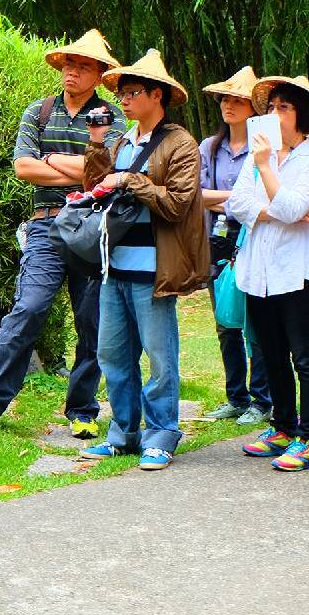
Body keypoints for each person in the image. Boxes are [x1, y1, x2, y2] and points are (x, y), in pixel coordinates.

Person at [0, 29, 122, 439]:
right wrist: (79, 167)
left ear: (99, 74)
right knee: (29, 309)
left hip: (93, 227)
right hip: (46, 223)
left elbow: (108, 173)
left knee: (91, 322)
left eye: (84, 67)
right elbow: (23, 169)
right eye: (69, 64)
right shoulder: (38, 111)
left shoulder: (113, 116)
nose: (73, 72)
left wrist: (51, 159)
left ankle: (83, 411)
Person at [78, 50, 210, 471]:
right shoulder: (121, 138)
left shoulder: (180, 143)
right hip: (112, 265)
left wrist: (131, 180)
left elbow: (180, 203)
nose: (124, 100)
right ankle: (124, 433)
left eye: (132, 92)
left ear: (158, 95)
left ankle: (162, 434)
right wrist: (97, 145)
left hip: (155, 268)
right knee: (113, 356)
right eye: (121, 93)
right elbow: (97, 187)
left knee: (159, 356)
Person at [226, 75, 309, 472]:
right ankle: (283, 427)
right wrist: (275, 208)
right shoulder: (262, 157)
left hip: (298, 272)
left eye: (283, 107)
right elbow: (237, 203)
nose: (273, 115)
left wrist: (266, 177)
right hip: (259, 271)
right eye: (271, 107)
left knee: (305, 358)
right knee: (270, 354)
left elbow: (292, 210)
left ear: (300, 116)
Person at [198, 66, 271, 427]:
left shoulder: (266, 150)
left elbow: (266, 197)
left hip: (257, 242)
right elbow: (195, 195)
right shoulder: (209, 148)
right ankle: (235, 397)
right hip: (219, 244)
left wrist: (230, 200)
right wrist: (239, 199)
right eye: (225, 98)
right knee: (226, 322)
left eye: (238, 99)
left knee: (256, 323)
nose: (229, 105)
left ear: (254, 108)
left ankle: (262, 399)